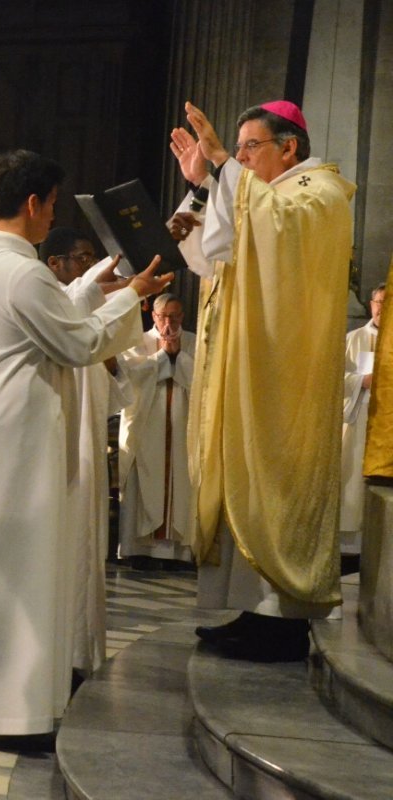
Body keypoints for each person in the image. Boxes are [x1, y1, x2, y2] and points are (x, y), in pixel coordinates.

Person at [0, 150, 170, 749]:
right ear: (32, 203)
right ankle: (13, 720)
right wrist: (135, 297)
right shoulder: (21, 273)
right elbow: (78, 345)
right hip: (18, 449)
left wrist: (90, 286)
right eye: (51, 204)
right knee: (22, 582)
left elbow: (38, 325)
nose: (52, 217)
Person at [171, 100, 354, 661]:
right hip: (246, 363)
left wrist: (224, 167)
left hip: (285, 375)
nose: (244, 157)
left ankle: (285, 622)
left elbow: (272, 227)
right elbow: (219, 256)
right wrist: (202, 192)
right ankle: (252, 612)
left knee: (276, 482)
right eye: (242, 146)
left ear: (289, 147)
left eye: (253, 146)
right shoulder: (267, 193)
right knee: (240, 483)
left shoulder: (320, 195)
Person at [39, 227, 134, 677]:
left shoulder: (84, 311)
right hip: (57, 452)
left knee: (87, 546)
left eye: (93, 257)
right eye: (81, 258)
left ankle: (81, 652)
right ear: (55, 264)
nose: (91, 268)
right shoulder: (49, 306)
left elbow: (115, 395)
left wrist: (112, 363)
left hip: (88, 447)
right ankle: (58, 654)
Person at [117, 294, 197, 565]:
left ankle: (178, 552)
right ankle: (141, 550)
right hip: (147, 424)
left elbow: (204, 380)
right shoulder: (137, 342)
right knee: (147, 477)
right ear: (153, 316)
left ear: (182, 316)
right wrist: (165, 355)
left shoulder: (195, 342)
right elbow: (131, 377)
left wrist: (180, 358)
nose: (168, 322)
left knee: (182, 480)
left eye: (174, 316)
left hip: (183, 427)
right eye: (163, 316)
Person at [340, 285, 383, 555]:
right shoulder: (354, 339)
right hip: (358, 420)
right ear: (370, 304)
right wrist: (361, 381)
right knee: (353, 481)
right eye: (379, 302)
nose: (383, 308)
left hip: (385, 425)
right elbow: (332, 378)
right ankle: (351, 549)